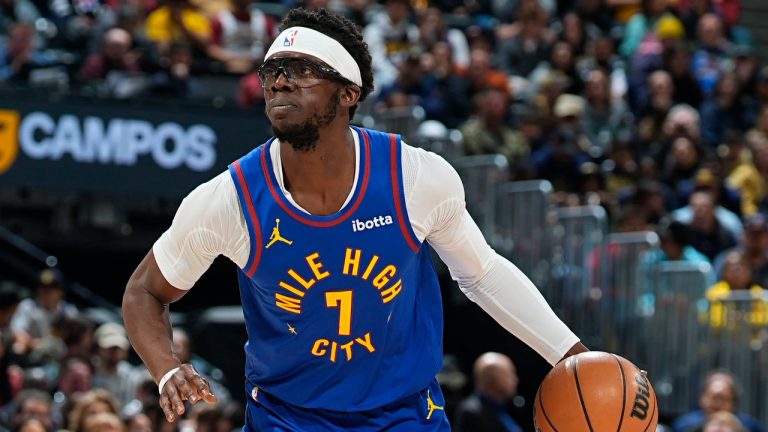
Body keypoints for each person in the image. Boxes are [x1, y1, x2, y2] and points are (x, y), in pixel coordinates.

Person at [122, 8, 587, 430]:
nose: (281, 82)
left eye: (303, 71)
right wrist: (166, 368)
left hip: (405, 416)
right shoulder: (229, 200)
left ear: (349, 92)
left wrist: (575, 356)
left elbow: (482, 275)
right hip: (287, 419)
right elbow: (144, 291)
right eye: (272, 72)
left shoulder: (414, 177)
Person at [672, 370, 763, 432]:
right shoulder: (685, 424)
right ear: (703, 398)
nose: (718, 404)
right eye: (714, 398)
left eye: (723, 399)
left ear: (734, 402)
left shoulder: (751, 426)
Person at [453, 352, 522, 432]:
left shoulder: (507, 407)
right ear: (494, 379)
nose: (515, 380)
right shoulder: (471, 412)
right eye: (509, 375)